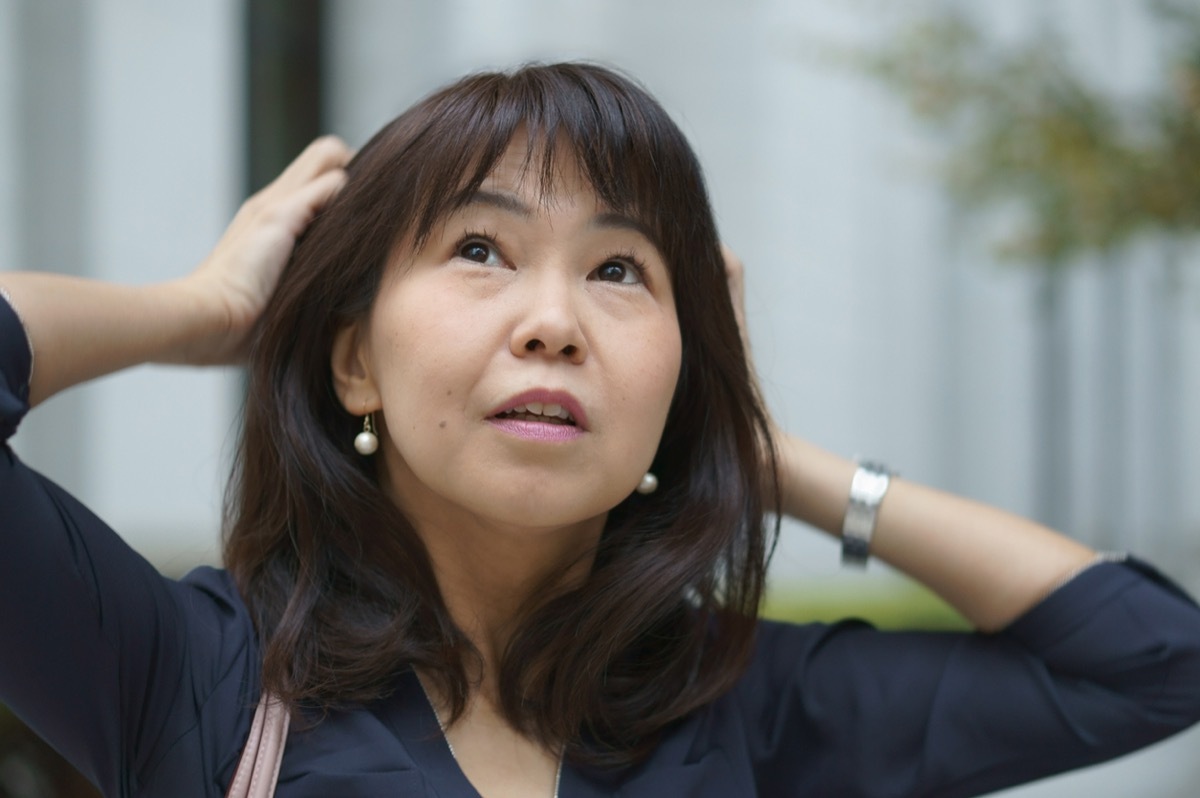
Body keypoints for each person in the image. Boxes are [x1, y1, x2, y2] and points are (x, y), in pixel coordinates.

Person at [1, 62, 1199, 798]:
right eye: (481, 249)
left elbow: (1151, 661)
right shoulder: (192, 675)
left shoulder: (735, 710)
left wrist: (770, 463)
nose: (556, 321)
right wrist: (199, 311)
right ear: (355, 360)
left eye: (620, 268)